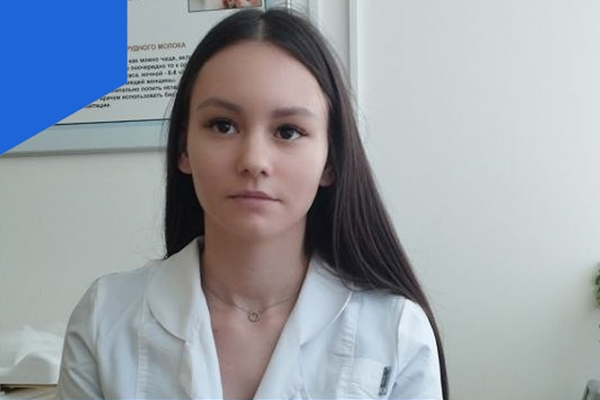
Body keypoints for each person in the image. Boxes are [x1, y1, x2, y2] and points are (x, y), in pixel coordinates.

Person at [57, 8, 448, 400]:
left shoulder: (397, 331)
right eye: (223, 125)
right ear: (183, 149)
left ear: (330, 160)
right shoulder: (104, 318)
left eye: (288, 131)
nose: (254, 161)